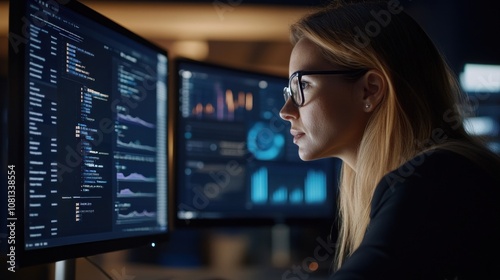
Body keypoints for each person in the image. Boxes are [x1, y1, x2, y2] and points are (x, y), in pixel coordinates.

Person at [279, 0, 500, 279]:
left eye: (303, 86)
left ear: (370, 90)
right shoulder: (435, 173)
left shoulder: (433, 178)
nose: (286, 111)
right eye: (289, 90)